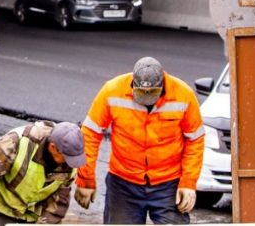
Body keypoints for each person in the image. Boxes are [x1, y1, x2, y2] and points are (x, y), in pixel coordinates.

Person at [74, 57, 204, 224]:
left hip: (168, 183)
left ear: (162, 84)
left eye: (151, 94)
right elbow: (90, 134)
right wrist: (85, 180)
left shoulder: (183, 95)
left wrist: (188, 183)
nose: (146, 98)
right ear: (132, 84)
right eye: (142, 93)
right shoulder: (112, 91)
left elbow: (195, 140)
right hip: (123, 183)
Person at [0, 120, 86, 226]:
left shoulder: (70, 160)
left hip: (28, 214)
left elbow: (59, 199)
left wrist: (49, 223)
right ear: (53, 147)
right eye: (67, 157)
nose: (70, 163)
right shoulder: (19, 142)